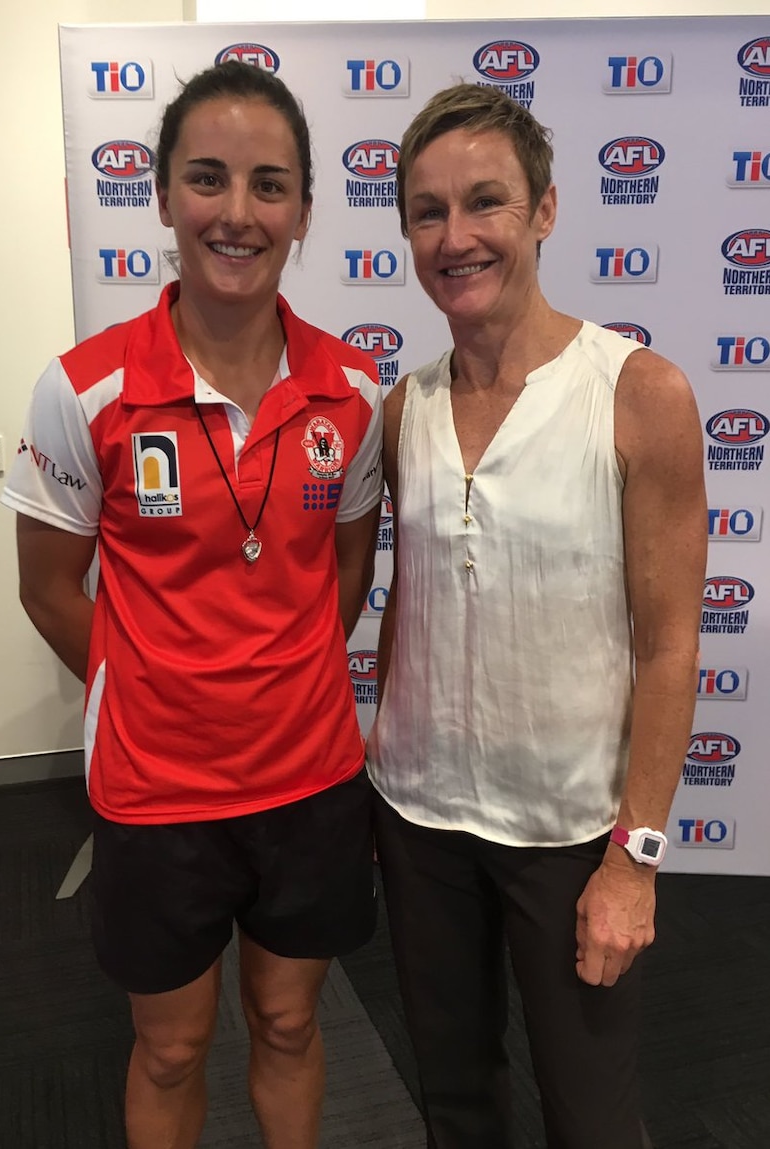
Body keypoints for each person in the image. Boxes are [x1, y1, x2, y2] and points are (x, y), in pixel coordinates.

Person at [2, 61, 382, 1149]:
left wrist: (281, 673)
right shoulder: (84, 389)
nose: (237, 212)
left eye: (270, 186)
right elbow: (45, 588)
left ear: (304, 210)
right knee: (169, 1048)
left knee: (289, 1022)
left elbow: (343, 571)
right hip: (155, 791)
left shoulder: (350, 391)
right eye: (207, 179)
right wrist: (155, 684)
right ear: (162, 196)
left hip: (309, 781)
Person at [366, 83, 706, 1149]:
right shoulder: (401, 408)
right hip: (418, 817)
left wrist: (632, 860)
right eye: (428, 212)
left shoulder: (637, 392)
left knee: (592, 1119)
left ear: (545, 210)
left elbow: (669, 645)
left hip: (568, 835)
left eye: (485, 203)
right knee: (455, 1101)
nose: (455, 237)